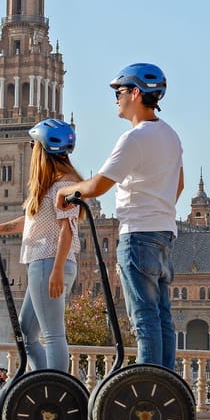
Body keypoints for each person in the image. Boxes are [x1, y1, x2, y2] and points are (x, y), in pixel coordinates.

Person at [57, 63, 184, 370]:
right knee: (162, 316)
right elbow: (178, 185)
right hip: (164, 233)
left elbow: (98, 186)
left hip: (137, 234)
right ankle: (165, 379)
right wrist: (157, 208)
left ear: (136, 93)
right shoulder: (171, 136)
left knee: (143, 318)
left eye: (120, 92)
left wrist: (66, 191)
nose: (116, 98)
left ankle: (148, 380)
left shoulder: (134, 138)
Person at [0, 118, 83, 372]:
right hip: (46, 264)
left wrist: (56, 270)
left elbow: (67, 229)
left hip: (49, 263)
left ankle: (56, 385)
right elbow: (30, 220)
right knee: (27, 331)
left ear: (43, 149)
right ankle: (43, 380)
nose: (31, 149)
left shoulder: (63, 184)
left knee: (53, 334)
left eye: (33, 144)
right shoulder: (53, 183)